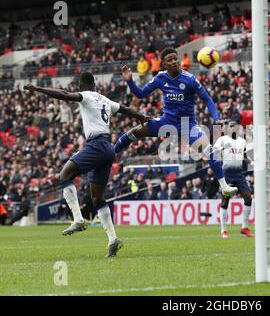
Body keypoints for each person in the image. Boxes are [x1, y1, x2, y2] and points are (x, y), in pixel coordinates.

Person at [24, 72, 148, 258]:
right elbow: (125, 109)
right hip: (108, 149)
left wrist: (39, 89)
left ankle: (78, 218)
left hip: (97, 145)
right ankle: (113, 239)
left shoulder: (87, 96)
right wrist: (141, 117)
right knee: (97, 198)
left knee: (64, 175)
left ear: (82, 86)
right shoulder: (105, 100)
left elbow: (65, 95)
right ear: (95, 85)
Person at [114, 47, 238, 198]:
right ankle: (112, 153)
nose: (174, 62)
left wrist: (217, 118)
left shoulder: (190, 79)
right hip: (167, 122)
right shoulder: (160, 78)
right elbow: (140, 94)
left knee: (209, 150)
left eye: (175, 58)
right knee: (134, 132)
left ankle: (224, 187)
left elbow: (207, 99)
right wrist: (130, 81)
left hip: (188, 125)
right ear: (164, 64)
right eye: (170, 60)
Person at [213, 121, 254, 238]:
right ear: (228, 129)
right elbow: (213, 152)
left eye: (235, 126)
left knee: (248, 197)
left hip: (239, 174)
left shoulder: (242, 141)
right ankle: (223, 230)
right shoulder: (223, 140)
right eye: (231, 126)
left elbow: (244, 156)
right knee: (225, 200)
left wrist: (252, 162)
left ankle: (244, 227)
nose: (233, 128)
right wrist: (221, 148)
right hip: (226, 174)